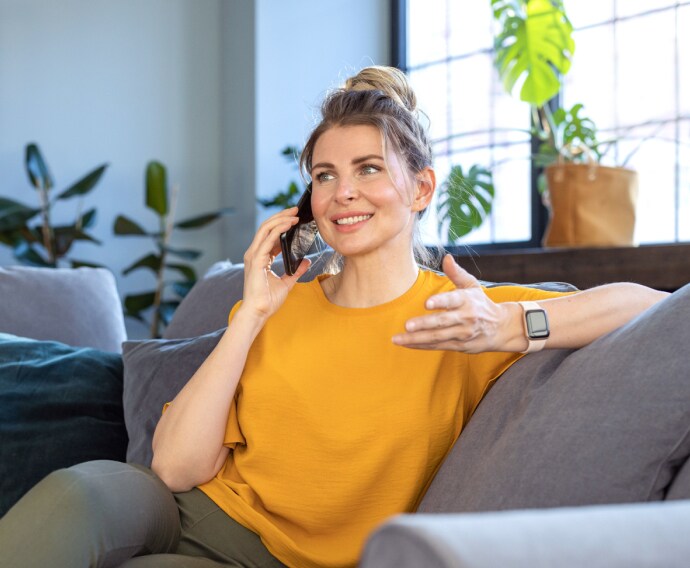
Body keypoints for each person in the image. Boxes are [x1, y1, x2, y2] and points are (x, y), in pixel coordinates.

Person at [0, 66, 668, 568]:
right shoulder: (277, 307)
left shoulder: (464, 317)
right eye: (324, 174)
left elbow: (653, 308)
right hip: (180, 508)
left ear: (422, 188)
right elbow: (175, 472)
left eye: (368, 168)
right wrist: (251, 316)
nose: (342, 191)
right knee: (76, 496)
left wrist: (517, 327)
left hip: (274, 559)